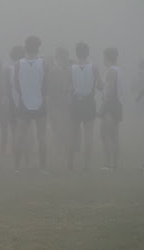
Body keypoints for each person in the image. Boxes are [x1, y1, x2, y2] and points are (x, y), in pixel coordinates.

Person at [13, 36, 48, 173]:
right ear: (38, 47)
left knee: (20, 136)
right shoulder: (44, 63)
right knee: (41, 136)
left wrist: (24, 93)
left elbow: (16, 84)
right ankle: (43, 168)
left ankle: (17, 167)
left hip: (24, 102)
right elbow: (46, 83)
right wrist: (41, 95)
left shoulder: (18, 64)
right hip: (40, 102)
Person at [68, 42, 102, 171]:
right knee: (88, 135)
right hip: (88, 103)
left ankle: (70, 163)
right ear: (87, 53)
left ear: (77, 53)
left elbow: (70, 87)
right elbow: (99, 86)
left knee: (73, 134)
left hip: (76, 103)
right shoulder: (94, 67)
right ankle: (86, 165)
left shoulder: (72, 68)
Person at [99, 48, 123, 171]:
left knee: (107, 135)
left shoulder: (111, 72)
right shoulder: (117, 70)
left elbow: (111, 90)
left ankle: (108, 164)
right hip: (115, 104)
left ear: (107, 58)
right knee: (111, 136)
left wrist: (103, 107)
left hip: (111, 105)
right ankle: (114, 165)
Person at [47, 47, 71, 166]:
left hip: (65, 106)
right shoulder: (52, 73)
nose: (64, 60)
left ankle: (63, 154)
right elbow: (50, 91)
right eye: (63, 57)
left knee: (64, 130)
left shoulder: (69, 71)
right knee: (57, 131)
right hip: (56, 106)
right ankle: (57, 154)